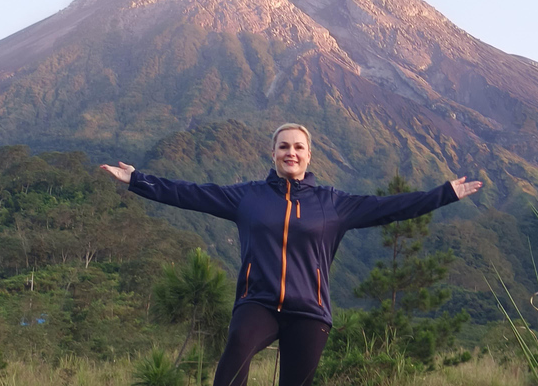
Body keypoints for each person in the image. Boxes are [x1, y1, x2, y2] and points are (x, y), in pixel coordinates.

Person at [101, 123, 482, 386]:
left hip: (309, 312)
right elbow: (191, 194)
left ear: (309, 155)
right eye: (284, 146)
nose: (291, 152)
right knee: (234, 356)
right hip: (259, 303)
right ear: (273, 153)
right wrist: (138, 180)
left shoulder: (333, 204)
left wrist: (444, 193)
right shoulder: (247, 196)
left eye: (298, 147)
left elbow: (392, 207)